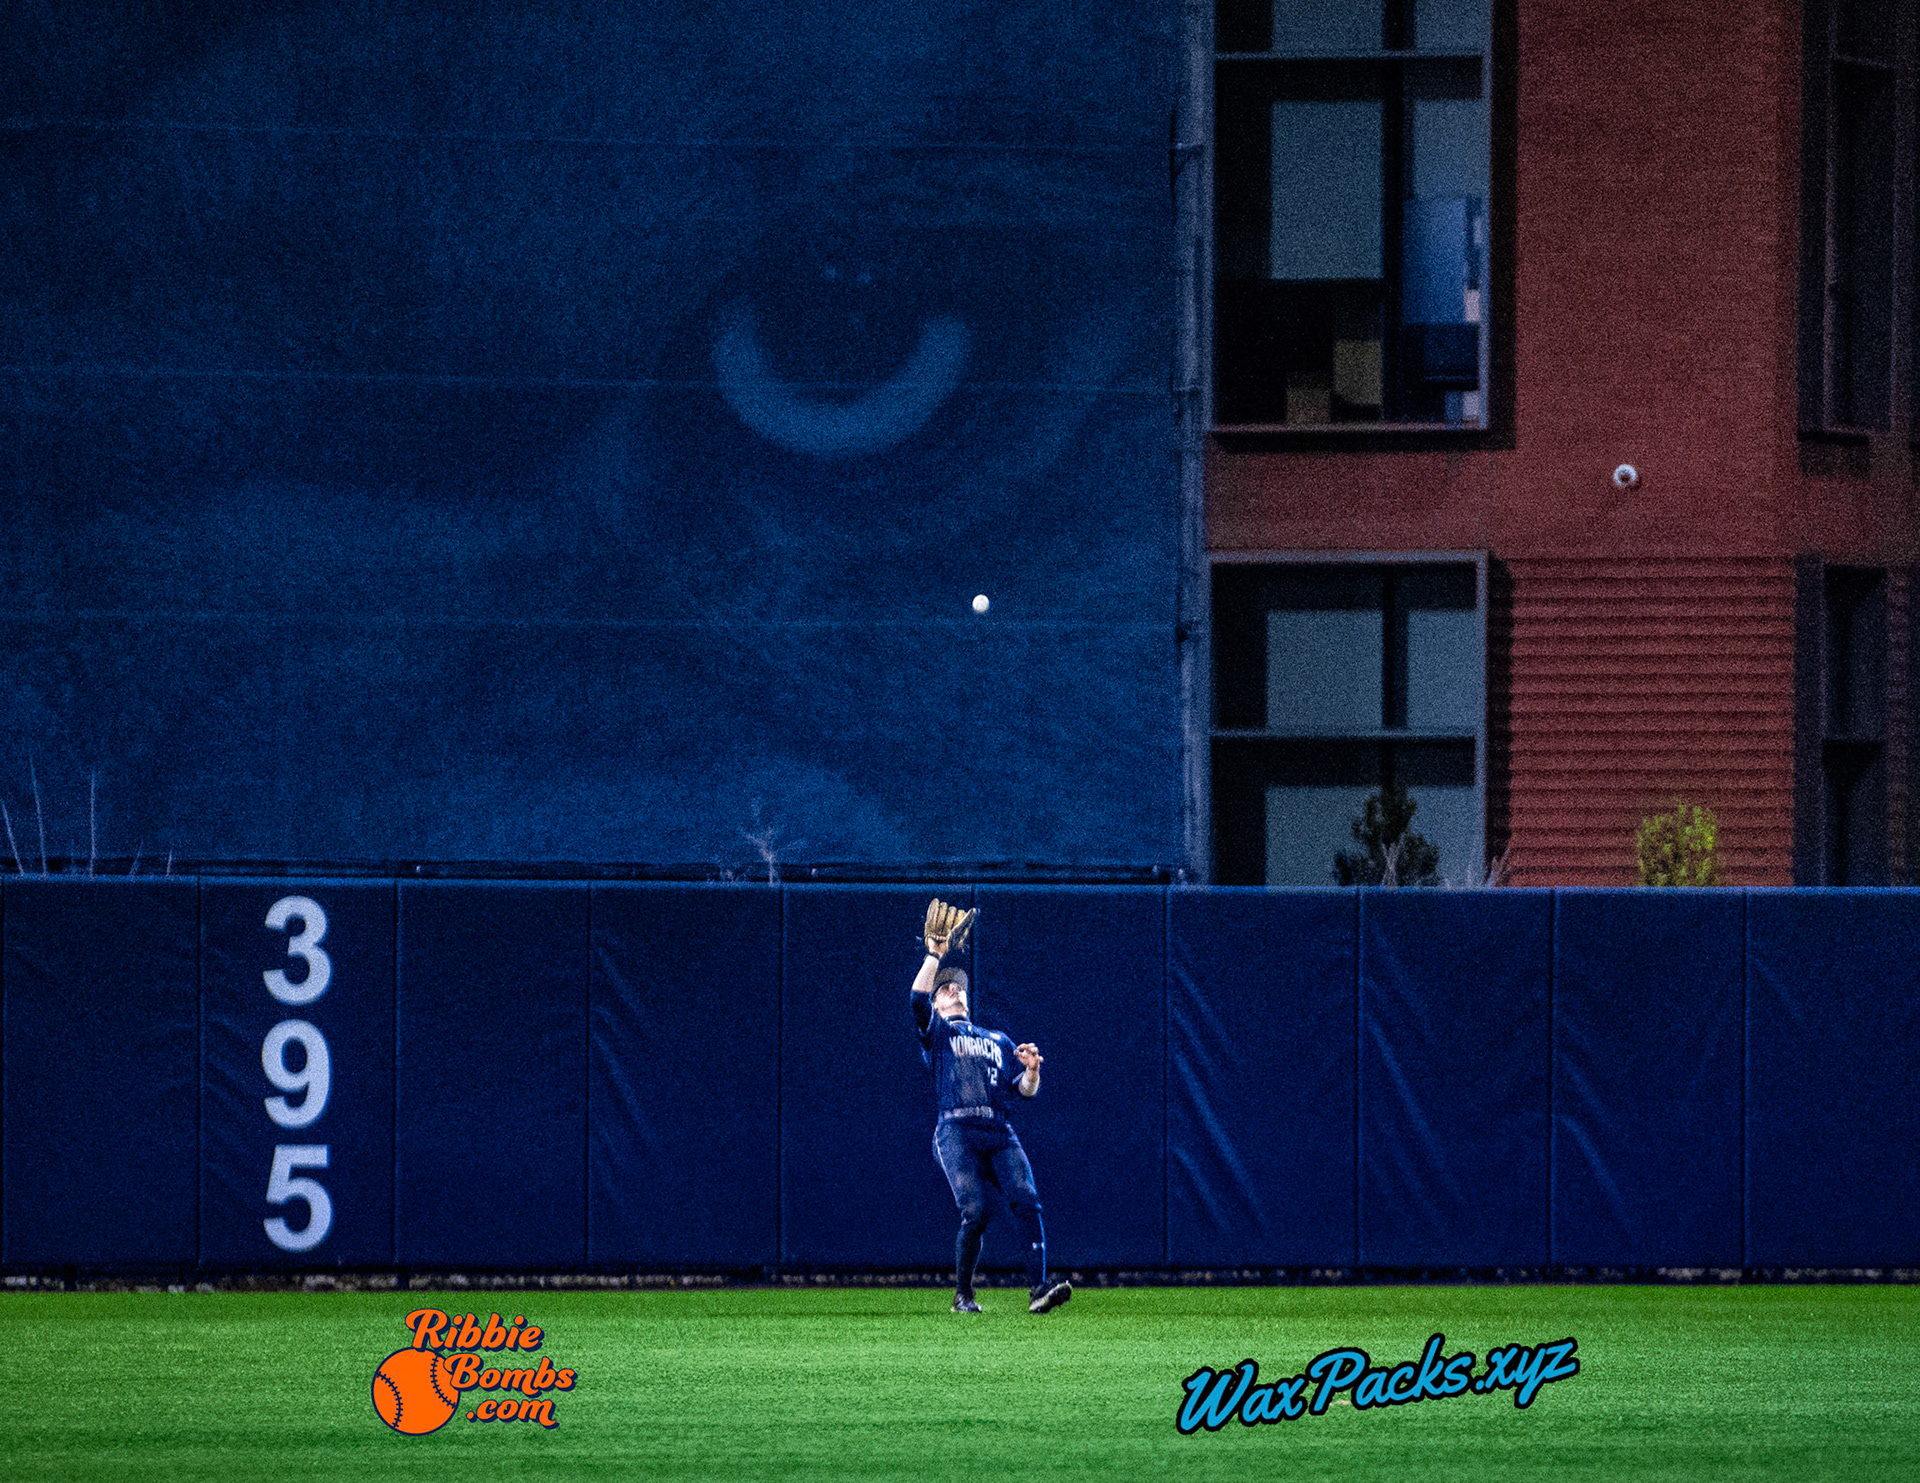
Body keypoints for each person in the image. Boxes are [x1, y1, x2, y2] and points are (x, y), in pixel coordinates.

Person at [911, 899, 1072, 1316]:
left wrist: (1033, 1070)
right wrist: (935, 957)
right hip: (956, 1131)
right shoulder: (940, 1033)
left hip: (997, 1130)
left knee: (1026, 1198)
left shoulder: (997, 1039)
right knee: (975, 1212)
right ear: (939, 1001)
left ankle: (1039, 1289)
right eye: (945, 987)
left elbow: (1022, 1091)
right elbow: (916, 1000)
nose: (953, 988)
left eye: (957, 985)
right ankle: (962, 1296)